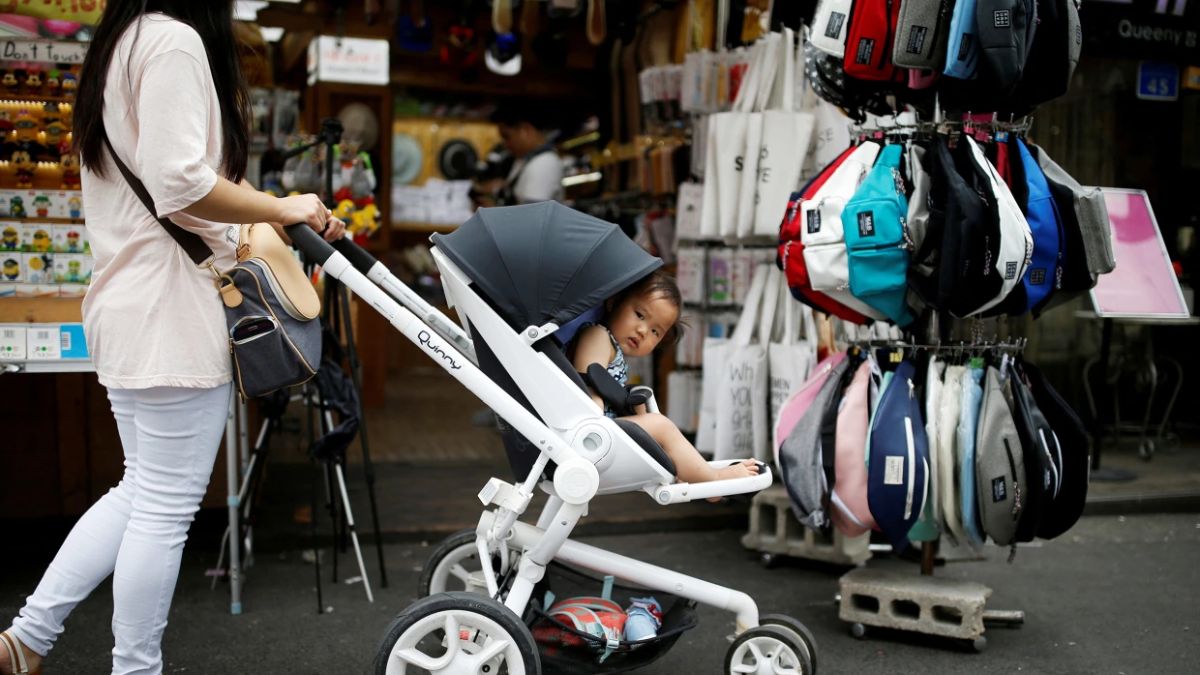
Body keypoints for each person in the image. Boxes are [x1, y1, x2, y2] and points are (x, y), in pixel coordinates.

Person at [0, 3, 344, 674]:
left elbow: (179, 175)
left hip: (132, 304)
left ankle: (28, 638)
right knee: (162, 507)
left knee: (140, 491)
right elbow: (182, 183)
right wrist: (281, 207)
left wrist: (278, 205)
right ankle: (132, 667)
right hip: (170, 310)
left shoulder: (121, 44)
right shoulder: (174, 41)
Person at [571, 271, 760, 484]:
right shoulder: (597, 335)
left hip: (601, 430)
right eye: (640, 315)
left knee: (650, 415)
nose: (643, 331)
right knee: (661, 426)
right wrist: (595, 416)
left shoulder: (610, 344)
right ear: (614, 301)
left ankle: (688, 469)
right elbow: (588, 380)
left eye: (655, 331)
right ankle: (711, 478)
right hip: (592, 430)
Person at [489, 103, 565, 205]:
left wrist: (493, 211)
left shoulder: (544, 163)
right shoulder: (525, 159)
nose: (505, 144)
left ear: (526, 130)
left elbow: (531, 216)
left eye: (506, 136)